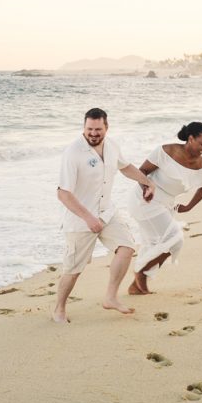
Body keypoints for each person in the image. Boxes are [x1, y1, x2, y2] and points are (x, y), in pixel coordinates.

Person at [53, 108, 155, 323]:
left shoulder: (111, 145)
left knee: (127, 248)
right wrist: (88, 218)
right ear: (84, 128)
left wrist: (146, 182)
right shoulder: (73, 153)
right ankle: (59, 309)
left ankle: (110, 297)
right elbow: (63, 193)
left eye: (98, 129)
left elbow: (125, 167)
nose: (93, 133)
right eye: (89, 129)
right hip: (80, 220)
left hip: (107, 212)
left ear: (106, 128)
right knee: (73, 269)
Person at [126, 122, 202, 295]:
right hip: (145, 200)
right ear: (190, 138)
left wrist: (188, 206)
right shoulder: (166, 151)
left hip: (166, 205)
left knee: (155, 244)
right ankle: (141, 272)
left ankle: (137, 285)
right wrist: (146, 188)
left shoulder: (201, 166)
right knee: (175, 239)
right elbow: (141, 171)